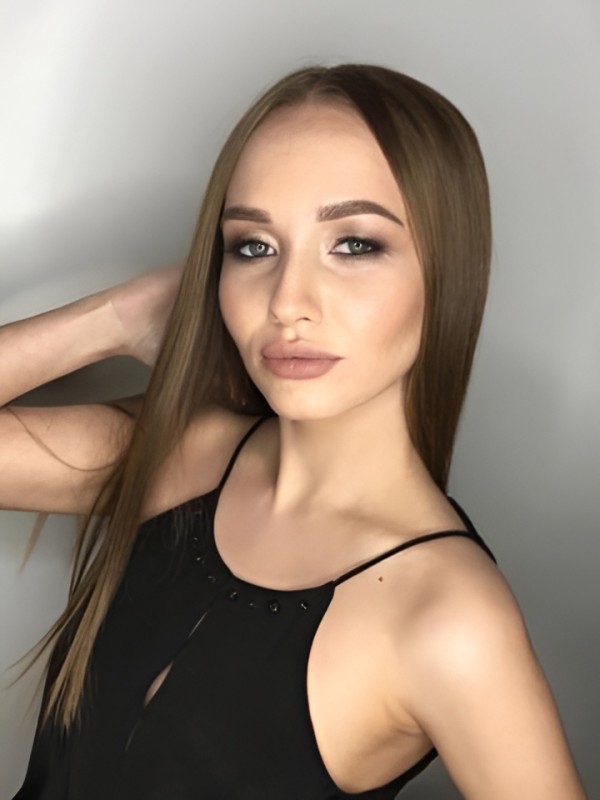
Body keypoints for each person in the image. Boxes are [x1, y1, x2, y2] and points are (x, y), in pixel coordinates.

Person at [2, 63, 585, 799]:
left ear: (447, 272)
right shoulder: (186, 456)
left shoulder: (447, 617)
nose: (287, 302)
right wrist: (113, 319)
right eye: (253, 246)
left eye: (354, 245)